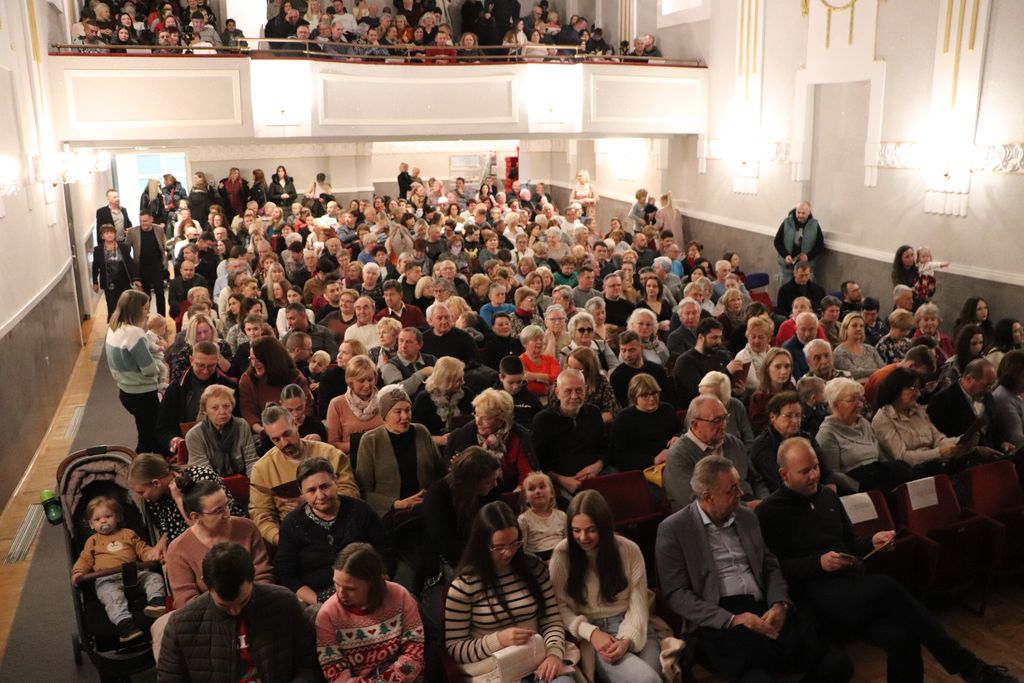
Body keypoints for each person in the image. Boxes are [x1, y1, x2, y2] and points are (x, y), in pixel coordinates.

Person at [756, 438, 1019, 683]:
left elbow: (851, 544)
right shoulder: (770, 512)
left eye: (815, 467)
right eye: (805, 471)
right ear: (784, 474)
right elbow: (775, 570)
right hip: (816, 600)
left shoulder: (827, 496)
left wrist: (873, 541)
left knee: (904, 638)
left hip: (850, 588)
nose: (814, 475)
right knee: (885, 586)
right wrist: (818, 563)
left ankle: (969, 667)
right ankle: (968, 665)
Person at [657, 455, 852, 682]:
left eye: (739, 485)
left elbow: (770, 566)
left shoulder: (746, 517)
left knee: (837, 664)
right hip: (718, 618)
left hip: (763, 607)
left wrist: (779, 603)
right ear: (708, 496)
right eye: (732, 490)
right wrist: (732, 619)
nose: (741, 494)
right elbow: (677, 594)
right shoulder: (675, 529)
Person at [444, 501, 576, 683]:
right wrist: (498, 640)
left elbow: (551, 620)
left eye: (514, 544)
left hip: (538, 658)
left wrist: (554, 654)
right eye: (498, 547)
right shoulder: (464, 584)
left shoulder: (534, 568)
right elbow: (456, 648)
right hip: (493, 669)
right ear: (482, 544)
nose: (508, 553)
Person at [158, 543, 322, 682]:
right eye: (224, 606)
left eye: (243, 601)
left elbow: (309, 664)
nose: (235, 611)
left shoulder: (284, 603)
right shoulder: (181, 625)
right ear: (205, 582)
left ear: (253, 575)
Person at [549, 491, 662, 683]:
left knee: (652, 678)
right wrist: (591, 633)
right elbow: (559, 606)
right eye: (576, 530)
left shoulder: (629, 550)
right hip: (595, 632)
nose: (583, 537)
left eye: (591, 530)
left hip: (634, 624)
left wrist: (627, 640)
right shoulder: (562, 554)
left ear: (604, 526)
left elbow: (638, 603)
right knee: (647, 680)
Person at [277, 457, 389, 606]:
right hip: (317, 599)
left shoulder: (360, 511)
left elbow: (384, 553)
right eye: (311, 490)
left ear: (335, 481)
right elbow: (288, 576)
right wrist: (320, 604)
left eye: (324, 486)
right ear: (301, 492)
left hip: (364, 592)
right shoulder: (291, 523)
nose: (320, 496)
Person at [249, 404, 359, 546]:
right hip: (294, 536)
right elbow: (261, 515)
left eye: (287, 434)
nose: (284, 443)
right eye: (276, 440)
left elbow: (351, 493)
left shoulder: (331, 454)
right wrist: (282, 539)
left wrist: (310, 502)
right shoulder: (262, 469)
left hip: (339, 526)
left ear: (295, 425)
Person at [316, 543, 425, 682]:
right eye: (336, 584)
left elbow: (415, 649)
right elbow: (336, 674)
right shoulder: (327, 615)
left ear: (372, 583)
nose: (341, 593)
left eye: (351, 589)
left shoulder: (400, 596)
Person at [165, 479, 273, 608]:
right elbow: (186, 600)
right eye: (218, 511)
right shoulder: (178, 549)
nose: (227, 514)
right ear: (196, 517)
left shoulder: (247, 527)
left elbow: (263, 574)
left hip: (255, 603)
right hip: (208, 614)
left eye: (227, 505)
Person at [71, 496, 166, 642]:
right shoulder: (93, 541)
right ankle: (125, 624)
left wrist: (151, 555)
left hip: (134, 573)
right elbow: (85, 559)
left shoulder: (128, 534)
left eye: (108, 516)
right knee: (112, 596)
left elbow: (142, 549)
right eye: (97, 519)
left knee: (154, 578)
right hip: (107, 579)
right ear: (91, 524)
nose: (103, 521)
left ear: (118, 517)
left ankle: (156, 602)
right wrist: (78, 572)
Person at [663, 395, 769, 511]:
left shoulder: (734, 443)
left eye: (725, 418)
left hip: (752, 509)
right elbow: (695, 503)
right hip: (711, 518)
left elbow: (756, 480)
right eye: (716, 421)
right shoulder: (678, 456)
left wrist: (765, 502)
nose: (724, 425)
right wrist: (747, 507)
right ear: (695, 425)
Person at [355, 386, 446, 517]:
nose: (405, 416)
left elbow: (440, 472)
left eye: (408, 410)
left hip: (427, 506)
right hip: (391, 512)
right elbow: (364, 491)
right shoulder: (370, 440)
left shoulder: (421, 431)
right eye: (398, 412)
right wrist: (398, 504)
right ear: (385, 415)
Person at [816, 378, 914, 493]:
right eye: (852, 400)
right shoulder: (827, 433)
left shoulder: (864, 423)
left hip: (879, 477)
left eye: (860, 399)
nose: (860, 405)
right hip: (857, 487)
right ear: (835, 404)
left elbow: (881, 457)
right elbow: (832, 474)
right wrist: (860, 488)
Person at [871, 368, 973, 472]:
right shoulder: (883, 419)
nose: (918, 394)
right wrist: (939, 453)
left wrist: (958, 441)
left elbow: (938, 439)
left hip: (933, 467)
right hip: (907, 473)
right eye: (912, 388)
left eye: (918, 388)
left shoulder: (917, 409)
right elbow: (902, 457)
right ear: (896, 389)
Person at [422, 446, 501, 579]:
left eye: (495, 479)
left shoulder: (490, 492)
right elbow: (445, 544)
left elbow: (498, 523)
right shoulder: (438, 495)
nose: (495, 485)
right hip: (453, 559)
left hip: (486, 551)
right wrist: (484, 551)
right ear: (471, 482)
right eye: (488, 482)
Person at [444, 388, 539, 494]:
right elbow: (452, 480)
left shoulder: (519, 436)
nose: (478, 422)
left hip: (510, 494)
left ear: (502, 420)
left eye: (485, 418)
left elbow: (528, 477)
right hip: (472, 495)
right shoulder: (459, 437)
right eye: (476, 414)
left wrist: (512, 498)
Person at [532, 369, 607, 497]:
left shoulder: (594, 413)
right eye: (568, 391)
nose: (574, 396)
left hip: (596, 475)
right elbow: (536, 462)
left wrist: (598, 465)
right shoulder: (542, 420)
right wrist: (561, 480)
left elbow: (605, 448)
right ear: (557, 392)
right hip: (559, 483)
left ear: (586, 389)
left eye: (579, 390)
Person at [105, 290, 161, 453]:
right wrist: (158, 366)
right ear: (135, 309)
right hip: (142, 393)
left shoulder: (114, 327)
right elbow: (149, 369)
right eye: (145, 308)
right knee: (150, 438)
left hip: (126, 391)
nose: (147, 313)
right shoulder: (134, 333)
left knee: (145, 433)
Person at [750, 392, 839, 493]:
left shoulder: (806, 438)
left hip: (815, 490)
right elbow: (777, 484)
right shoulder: (762, 446)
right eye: (788, 416)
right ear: (773, 417)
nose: (795, 421)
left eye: (798, 415)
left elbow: (826, 473)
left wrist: (830, 496)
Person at [239, 336, 312, 436]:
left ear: (272, 359)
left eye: (258, 359)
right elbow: (248, 412)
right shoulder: (248, 379)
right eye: (252, 359)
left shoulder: (295, 377)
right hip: (263, 433)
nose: (254, 364)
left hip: (296, 430)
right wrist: (265, 432)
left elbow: (306, 409)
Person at [183, 384, 258, 477]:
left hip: (241, 479)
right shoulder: (194, 435)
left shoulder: (242, 425)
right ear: (205, 411)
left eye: (226, 406)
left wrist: (254, 482)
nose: (222, 412)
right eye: (215, 408)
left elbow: (251, 461)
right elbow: (205, 474)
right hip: (210, 483)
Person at [609, 373, 679, 472]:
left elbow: (680, 430)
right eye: (645, 395)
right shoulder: (624, 418)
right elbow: (618, 456)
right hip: (642, 469)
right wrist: (653, 460)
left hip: (672, 461)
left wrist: (677, 437)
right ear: (634, 397)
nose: (652, 398)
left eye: (655, 393)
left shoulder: (667, 409)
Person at [673, 318, 739, 407]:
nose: (719, 342)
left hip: (726, 404)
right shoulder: (685, 362)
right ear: (701, 337)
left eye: (720, 337)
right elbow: (700, 391)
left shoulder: (723, 355)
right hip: (700, 408)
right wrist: (727, 371)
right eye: (714, 337)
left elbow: (729, 388)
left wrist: (737, 391)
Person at [325, 354, 384, 453]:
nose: (367, 385)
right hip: (352, 457)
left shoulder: (384, 399)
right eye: (361, 381)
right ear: (350, 382)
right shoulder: (336, 404)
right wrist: (363, 444)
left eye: (370, 380)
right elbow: (332, 445)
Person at [412, 356, 473, 446]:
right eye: (458, 380)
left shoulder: (467, 394)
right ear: (445, 381)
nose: (463, 382)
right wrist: (439, 440)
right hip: (433, 447)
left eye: (462, 378)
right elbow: (415, 433)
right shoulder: (423, 399)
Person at [609, 330, 673, 408]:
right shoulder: (617, 376)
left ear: (641, 348)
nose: (627, 355)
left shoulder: (657, 369)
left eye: (631, 350)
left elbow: (668, 398)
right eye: (623, 350)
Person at [93, 223, 141, 321]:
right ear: (102, 236)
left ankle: (127, 323)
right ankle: (114, 325)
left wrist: (135, 278)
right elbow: (95, 266)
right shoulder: (98, 250)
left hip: (123, 281)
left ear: (115, 234)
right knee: (112, 306)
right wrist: (95, 282)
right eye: (106, 233)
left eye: (111, 232)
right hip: (109, 283)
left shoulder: (123, 247)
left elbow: (130, 263)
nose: (109, 235)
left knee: (126, 304)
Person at [126, 211, 168, 316]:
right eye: (140, 221)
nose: (142, 223)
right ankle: (145, 317)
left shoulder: (159, 229)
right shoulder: (132, 232)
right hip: (141, 267)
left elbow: (163, 245)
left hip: (157, 266)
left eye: (145, 221)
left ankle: (161, 317)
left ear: (151, 219)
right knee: (145, 295)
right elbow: (126, 251)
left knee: (160, 293)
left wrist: (164, 262)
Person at [747, 347, 797, 434]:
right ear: (767, 369)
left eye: (787, 366)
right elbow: (761, 430)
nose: (784, 371)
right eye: (778, 367)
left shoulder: (792, 389)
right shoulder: (759, 398)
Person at [774, 201, 825, 285]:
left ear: (808, 213)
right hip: (787, 267)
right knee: (786, 290)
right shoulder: (787, 222)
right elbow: (777, 242)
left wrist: (808, 256)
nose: (800, 215)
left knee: (806, 291)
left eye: (803, 213)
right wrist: (785, 255)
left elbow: (820, 245)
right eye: (798, 212)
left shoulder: (814, 225)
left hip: (805, 267)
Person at [833, 312, 886, 381]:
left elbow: (883, 367)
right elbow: (853, 373)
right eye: (854, 326)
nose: (859, 329)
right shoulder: (840, 352)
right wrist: (877, 371)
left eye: (861, 326)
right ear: (845, 328)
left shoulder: (870, 349)